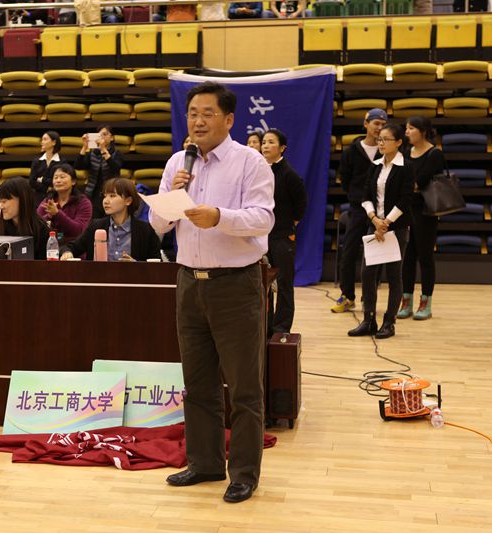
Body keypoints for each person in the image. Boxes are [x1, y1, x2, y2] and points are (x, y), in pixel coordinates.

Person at [149, 82, 274, 504]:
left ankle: (244, 473)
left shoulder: (250, 162)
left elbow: (263, 218)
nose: (198, 121)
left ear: (228, 119)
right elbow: (158, 225)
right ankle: (204, 463)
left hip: (236, 285)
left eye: (207, 113)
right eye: (192, 114)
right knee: (197, 382)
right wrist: (171, 195)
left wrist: (219, 216)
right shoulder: (177, 162)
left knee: (244, 387)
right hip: (189, 282)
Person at [348, 123, 415, 339]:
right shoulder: (375, 165)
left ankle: (389, 322)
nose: (381, 143)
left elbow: (405, 199)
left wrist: (386, 222)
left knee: (394, 275)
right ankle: (368, 320)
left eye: (386, 139)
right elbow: (365, 196)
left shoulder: (406, 167)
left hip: (396, 227)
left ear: (398, 142)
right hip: (374, 225)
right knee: (367, 273)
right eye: (380, 139)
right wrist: (374, 219)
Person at [332, 108, 387, 313]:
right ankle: (347, 296)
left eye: (383, 125)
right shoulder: (352, 151)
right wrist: (358, 196)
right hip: (357, 209)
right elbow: (345, 179)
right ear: (366, 124)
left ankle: (369, 297)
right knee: (349, 252)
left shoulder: (387, 151)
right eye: (376, 123)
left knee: (375, 255)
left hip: (380, 211)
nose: (379, 128)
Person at [398, 116, 446, 321]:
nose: (407, 132)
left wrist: (408, 186)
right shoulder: (404, 152)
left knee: (425, 256)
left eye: (411, 128)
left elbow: (418, 182)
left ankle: (426, 302)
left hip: (426, 211)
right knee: (407, 257)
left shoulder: (435, 154)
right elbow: (403, 181)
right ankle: (406, 300)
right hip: (406, 209)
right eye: (406, 128)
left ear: (423, 131)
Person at [261, 129, 307, 335]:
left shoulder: (289, 174)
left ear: (282, 148)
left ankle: (281, 327)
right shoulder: (260, 172)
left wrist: (289, 226)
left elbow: (301, 205)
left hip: (282, 236)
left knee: (284, 283)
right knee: (265, 283)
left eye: (271, 142)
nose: (265, 146)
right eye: (264, 142)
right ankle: (266, 324)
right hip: (263, 236)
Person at [61, 177, 160, 261]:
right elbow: (70, 247)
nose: (106, 201)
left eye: (112, 196)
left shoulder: (145, 230)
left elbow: (157, 264)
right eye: (105, 196)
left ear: (128, 201)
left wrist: (135, 264)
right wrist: (67, 252)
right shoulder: (96, 226)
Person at [0, 177, 50, 260]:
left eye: (4, 201)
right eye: (0, 202)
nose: (1, 207)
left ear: (22, 200)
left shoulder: (41, 229)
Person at [37, 163, 92, 245]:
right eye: (55, 177)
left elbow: (78, 230)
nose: (58, 180)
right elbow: (36, 225)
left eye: (62, 177)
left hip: (74, 247)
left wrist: (57, 214)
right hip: (50, 246)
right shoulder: (48, 201)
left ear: (73, 181)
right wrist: (49, 216)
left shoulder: (83, 202)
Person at [76, 125, 123, 219]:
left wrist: (103, 149)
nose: (102, 137)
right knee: (93, 220)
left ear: (112, 138)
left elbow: (115, 168)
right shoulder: (92, 153)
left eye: (105, 134)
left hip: (111, 192)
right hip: (93, 192)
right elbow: (78, 166)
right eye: (99, 135)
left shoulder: (117, 153)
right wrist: (84, 147)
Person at [29, 131, 64, 202]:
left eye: (45, 139)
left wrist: (42, 179)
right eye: (42, 140)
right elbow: (32, 181)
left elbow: (58, 181)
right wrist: (46, 188)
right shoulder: (37, 161)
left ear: (54, 142)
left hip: (56, 198)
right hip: (38, 199)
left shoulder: (62, 162)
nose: (42, 142)